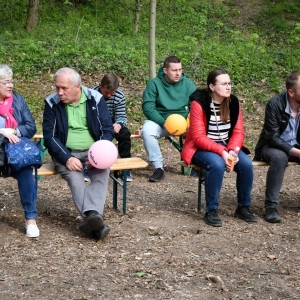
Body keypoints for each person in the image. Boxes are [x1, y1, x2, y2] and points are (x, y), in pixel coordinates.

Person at [42, 67, 114, 240]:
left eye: (64, 88)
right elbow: (50, 137)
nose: (59, 92)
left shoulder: (95, 99)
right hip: (67, 153)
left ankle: (92, 219)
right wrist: (67, 158)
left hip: (94, 151)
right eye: (57, 87)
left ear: (77, 87)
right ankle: (96, 222)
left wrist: (98, 155)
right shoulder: (52, 103)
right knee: (76, 180)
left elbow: (107, 130)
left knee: (101, 174)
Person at [181, 68, 257, 227]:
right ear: (212, 87)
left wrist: (232, 150)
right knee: (216, 164)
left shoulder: (233, 102)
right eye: (223, 84)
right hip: (200, 147)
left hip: (226, 145)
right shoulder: (198, 104)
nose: (228, 87)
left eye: (229, 83)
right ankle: (211, 210)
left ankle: (243, 207)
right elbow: (198, 137)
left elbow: (238, 131)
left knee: (246, 164)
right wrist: (222, 152)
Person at [254, 71, 300, 223]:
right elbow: (272, 137)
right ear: (291, 92)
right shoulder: (275, 104)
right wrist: (295, 152)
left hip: (296, 146)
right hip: (271, 146)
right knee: (280, 158)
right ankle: (271, 207)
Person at [142, 55, 196, 182]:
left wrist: (189, 123)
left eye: (180, 70)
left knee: (201, 130)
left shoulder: (188, 84)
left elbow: (195, 107)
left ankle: (196, 165)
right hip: (161, 121)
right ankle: (158, 168)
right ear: (165, 70)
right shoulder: (154, 84)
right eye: (174, 70)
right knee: (147, 131)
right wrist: (163, 122)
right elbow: (148, 107)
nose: (178, 73)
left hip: (184, 122)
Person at [0, 64, 39, 237]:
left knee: (25, 172)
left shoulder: (18, 100)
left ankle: (31, 220)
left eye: (11, 81)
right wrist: (2, 132)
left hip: (15, 154)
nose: (11, 85)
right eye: (6, 82)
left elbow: (31, 127)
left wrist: (15, 131)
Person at [91, 73, 132, 181]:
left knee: (125, 134)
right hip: (95, 121)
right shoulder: (92, 94)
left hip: (112, 122)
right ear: (100, 86)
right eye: (106, 92)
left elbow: (121, 116)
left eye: (111, 93)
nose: (108, 95)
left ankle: (126, 167)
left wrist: (119, 124)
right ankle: (89, 165)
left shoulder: (119, 95)